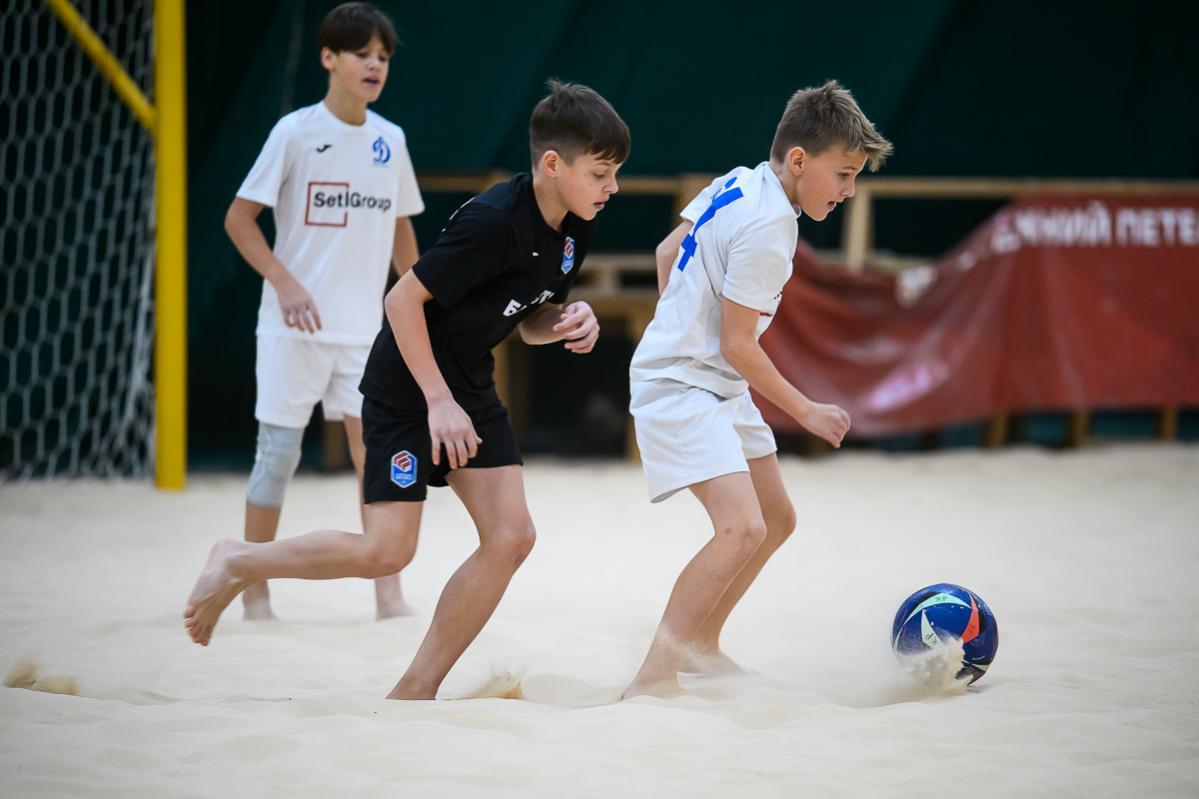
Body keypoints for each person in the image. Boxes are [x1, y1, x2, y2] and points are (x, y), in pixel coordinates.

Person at [185, 80, 630, 703]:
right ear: (553, 164)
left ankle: (415, 690)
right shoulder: (492, 221)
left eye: (616, 174)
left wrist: (566, 321)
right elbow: (401, 301)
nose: (613, 188)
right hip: (405, 386)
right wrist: (437, 402)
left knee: (512, 537)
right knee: (386, 552)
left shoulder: (575, 230)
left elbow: (527, 318)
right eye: (602, 173)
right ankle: (237, 559)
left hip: (467, 381)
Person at [623, 80, 893, 699]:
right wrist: (808, 410)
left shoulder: (739, 179)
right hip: (683, 382)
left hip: (707, 377)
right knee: (741, 528)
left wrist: (678, 322)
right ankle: (651, 679)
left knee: (775, 518)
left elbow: (666, 251)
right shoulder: (771, 224)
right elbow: (739, 344)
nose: (849, 191)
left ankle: (700, 645)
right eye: (843, 174)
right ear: (798, 160)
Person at [224, 2, 423, 622]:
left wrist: (424, 300)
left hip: (364, 335)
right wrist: (283, 281)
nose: (375, 65)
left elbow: (401, 231)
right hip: (293, 331)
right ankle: (254, 592)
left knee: (375, 459)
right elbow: (239, 219)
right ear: (329, 58)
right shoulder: (294, 133)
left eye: (383, 57)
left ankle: (388, 595)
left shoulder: (391, 140)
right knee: (277, 458)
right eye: (362, 53)